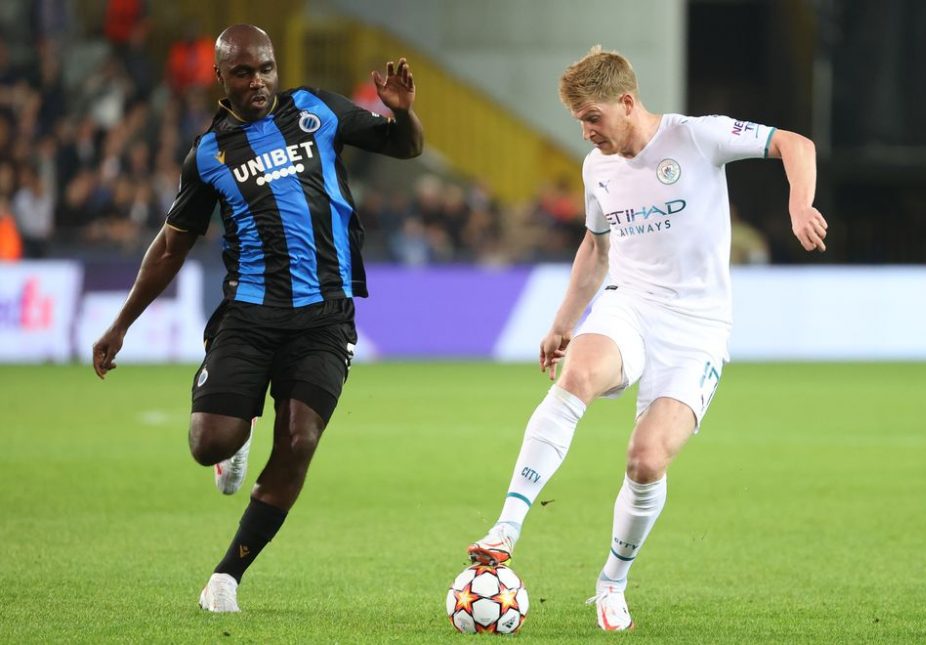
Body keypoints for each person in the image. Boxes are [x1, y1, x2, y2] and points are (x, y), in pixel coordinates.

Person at [466, 46, 826, 631]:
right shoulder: (596, 168)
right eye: (579, 121)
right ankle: (506, 526)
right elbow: (597, 247)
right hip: (629, 307)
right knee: (576, 375)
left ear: (627, 102)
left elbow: (797, 144)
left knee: (646, 460)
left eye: (592, 118)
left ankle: (612, 581)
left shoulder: (697, 137)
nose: (586, 133)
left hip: (699, 331)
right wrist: (562, 323)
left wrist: (799, 202)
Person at [91, 24, 422, 612]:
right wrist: (121, 324)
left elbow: (405, 147)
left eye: (265, 68)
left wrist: (403, 114)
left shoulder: (317, 108)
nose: (258, 82)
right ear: (220, 78)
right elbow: (171, 247)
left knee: (300, 438)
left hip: (325, 315)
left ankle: (226, 578)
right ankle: (230, 441)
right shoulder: (209, 154)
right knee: (208, 442)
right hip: (249, 313)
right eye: (243, 73)